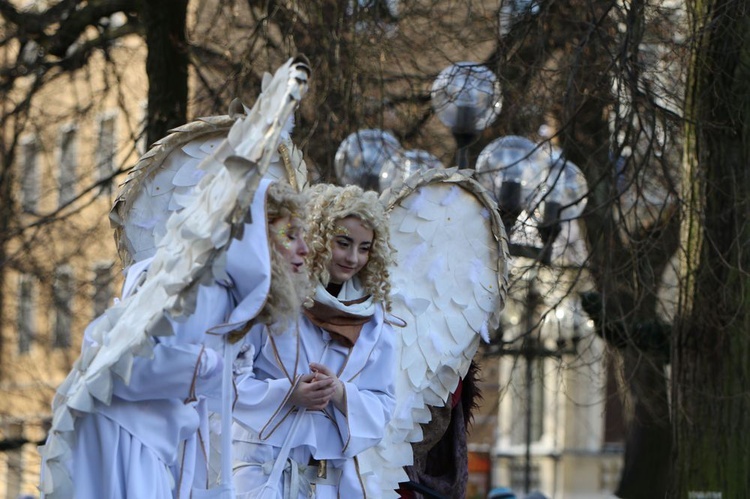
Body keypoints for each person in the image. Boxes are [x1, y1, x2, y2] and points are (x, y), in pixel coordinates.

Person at [40, 180, 309, 499]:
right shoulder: (201, 290)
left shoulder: (222, 293)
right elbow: (128, 367)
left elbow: (193, 399)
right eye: (289, 236)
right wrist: (210, 365)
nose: (304, 249)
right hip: (121, 443)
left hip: (144, 444)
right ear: (253, 236)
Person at [231, 183, 398, 498]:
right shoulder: (268, 299)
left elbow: (384, 403)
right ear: (319, 237)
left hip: (330, 482)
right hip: (261, 470)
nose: (352, 258)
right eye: (343, 243)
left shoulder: (376, 323)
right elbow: (224, 378)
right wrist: (287, 394)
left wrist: (341, 393)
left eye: (364, 248)